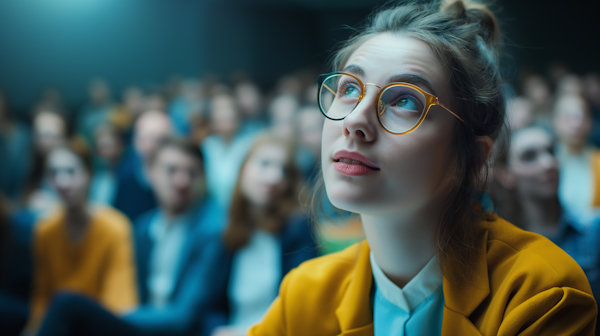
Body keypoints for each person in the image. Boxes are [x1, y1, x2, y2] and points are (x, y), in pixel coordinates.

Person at [249, 1, 597, 335]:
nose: (355, 120)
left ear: (473, 160)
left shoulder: (540, 292)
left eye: (405, 100)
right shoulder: (305, 294)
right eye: (349, 88)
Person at [36, 137, 226, 336]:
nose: (182, 181)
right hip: (142, 325)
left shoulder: (211, 230)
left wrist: (111, 316)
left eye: (191, 172)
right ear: (150, 173)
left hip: (179, 330)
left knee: (68, 305)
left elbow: (184, 317)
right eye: (171, 170)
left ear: (203, 178)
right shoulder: (144, 227)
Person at [206, 133, 317, 336]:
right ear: (243, 168)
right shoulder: (227, 230)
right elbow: (212, 306)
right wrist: (217, 329)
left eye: (284, 170)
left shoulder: (298, 229)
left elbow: (299, 308)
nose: (274, 177)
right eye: (264, 164)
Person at [26, 142, 138, 334]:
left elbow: (120, 302)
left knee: (66, 302)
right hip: (62, 326)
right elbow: (42, 296)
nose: (62, 182)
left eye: (71, 171)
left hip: (102, 325)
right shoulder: (45, 230)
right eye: (54, 173)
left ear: (89, 174)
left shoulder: (115, 227)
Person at [490, 125, 600, 299]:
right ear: (505, 175)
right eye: (529, 157)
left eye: (551, 151)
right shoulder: (498, 248)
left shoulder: (594, 229)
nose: (548, 163)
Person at [113, 110, 172, 221]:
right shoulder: (126, 173)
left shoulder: (180, 175)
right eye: (143, 138)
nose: (148, 145)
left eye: (156, 139)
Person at [202, 93, 256, 209]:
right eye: (218, 110)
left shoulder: (251, 144)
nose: (224, 114)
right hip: (212, 210)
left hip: (244, 208)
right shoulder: (207, 145)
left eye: (228, 109)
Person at [553, 93, 600, 214]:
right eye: (568, 117)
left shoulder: (597, 160)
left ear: (589, 121)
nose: (576, 124)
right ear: (555, 121)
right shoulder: (547, 162)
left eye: (581, 116)